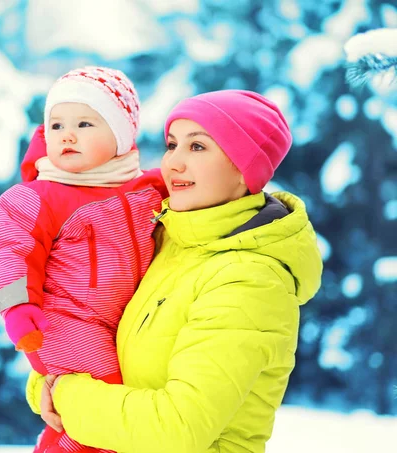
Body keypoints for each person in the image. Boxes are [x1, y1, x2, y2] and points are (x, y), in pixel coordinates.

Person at [26, 90, 324, 453]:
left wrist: (64, 394)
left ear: (244, 166)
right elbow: (88, 333)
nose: (173, 163)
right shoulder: (164, 242)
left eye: (197, 147)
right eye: (171, 144)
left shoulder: (251, 279)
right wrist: (44, 386)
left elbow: (177, 428)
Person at [0, 66, 167, 453]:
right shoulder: (39, 197)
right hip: (61, 322)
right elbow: (4, 255)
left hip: (118, 324)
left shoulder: (147, 190)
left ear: (121, 136)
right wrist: (15, 310)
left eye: (84, 123)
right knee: (107, 405)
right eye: (56, 125)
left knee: (90, 415)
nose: (67, 134)